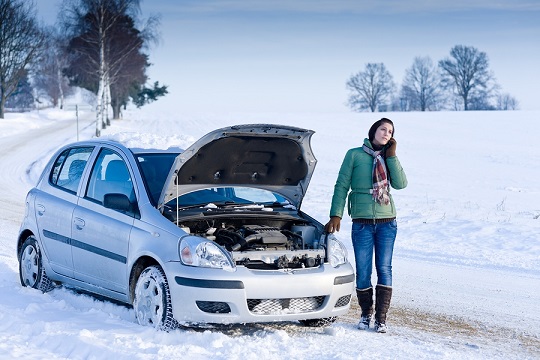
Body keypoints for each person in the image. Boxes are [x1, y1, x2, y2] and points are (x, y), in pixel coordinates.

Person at [325, 118, 407, 333]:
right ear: (373, 131)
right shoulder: (354, 154)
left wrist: (392, 156)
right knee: (363, 271)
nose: (386, 133)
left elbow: (400, 184)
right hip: (361, 222)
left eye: (390, 131)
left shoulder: (388, 157)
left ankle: (381, 319)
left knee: (384, 269)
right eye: (383, 129)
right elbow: (341, 185)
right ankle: (364, 314)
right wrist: (336, 214)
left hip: (387, 222)